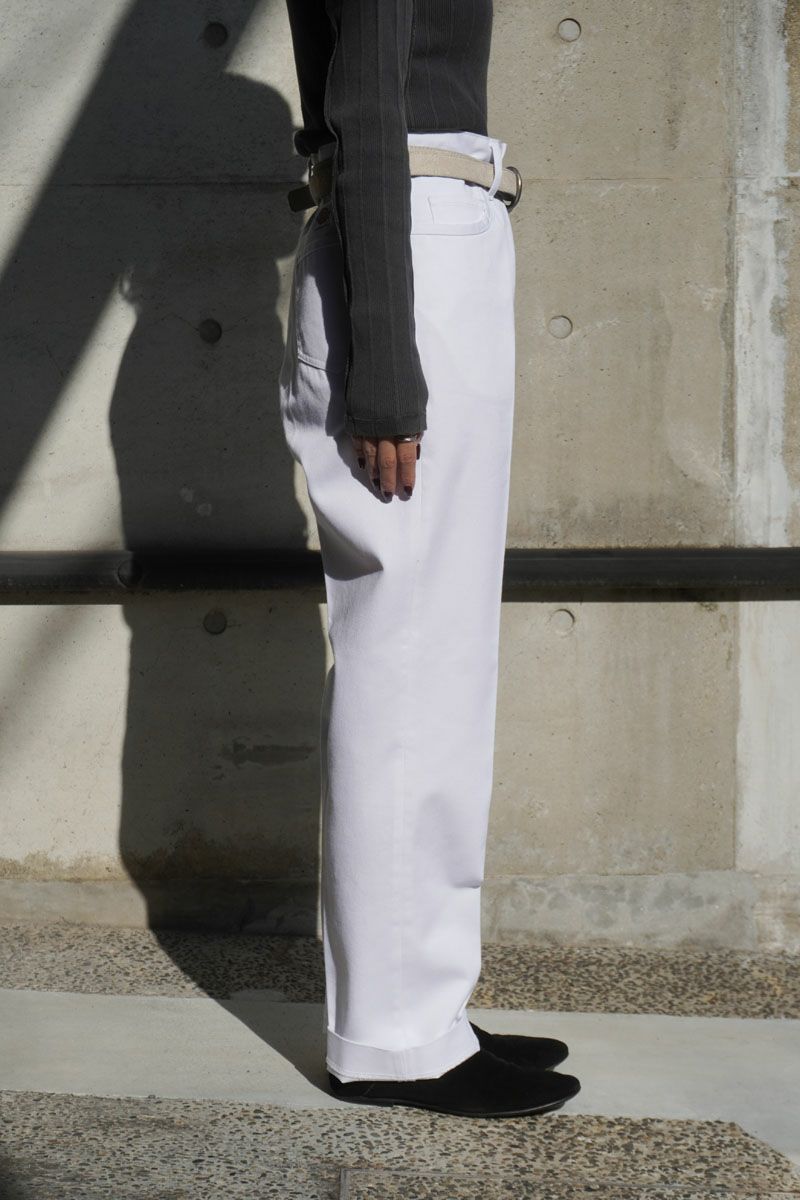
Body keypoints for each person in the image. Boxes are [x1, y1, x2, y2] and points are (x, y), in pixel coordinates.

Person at [281, 0, 581, 1118]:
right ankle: (397, 1040)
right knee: (409, 666)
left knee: (434, 666)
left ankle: (425, 1008)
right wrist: (384, 371)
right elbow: (366, 102)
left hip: (423, 236)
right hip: (408, 247)